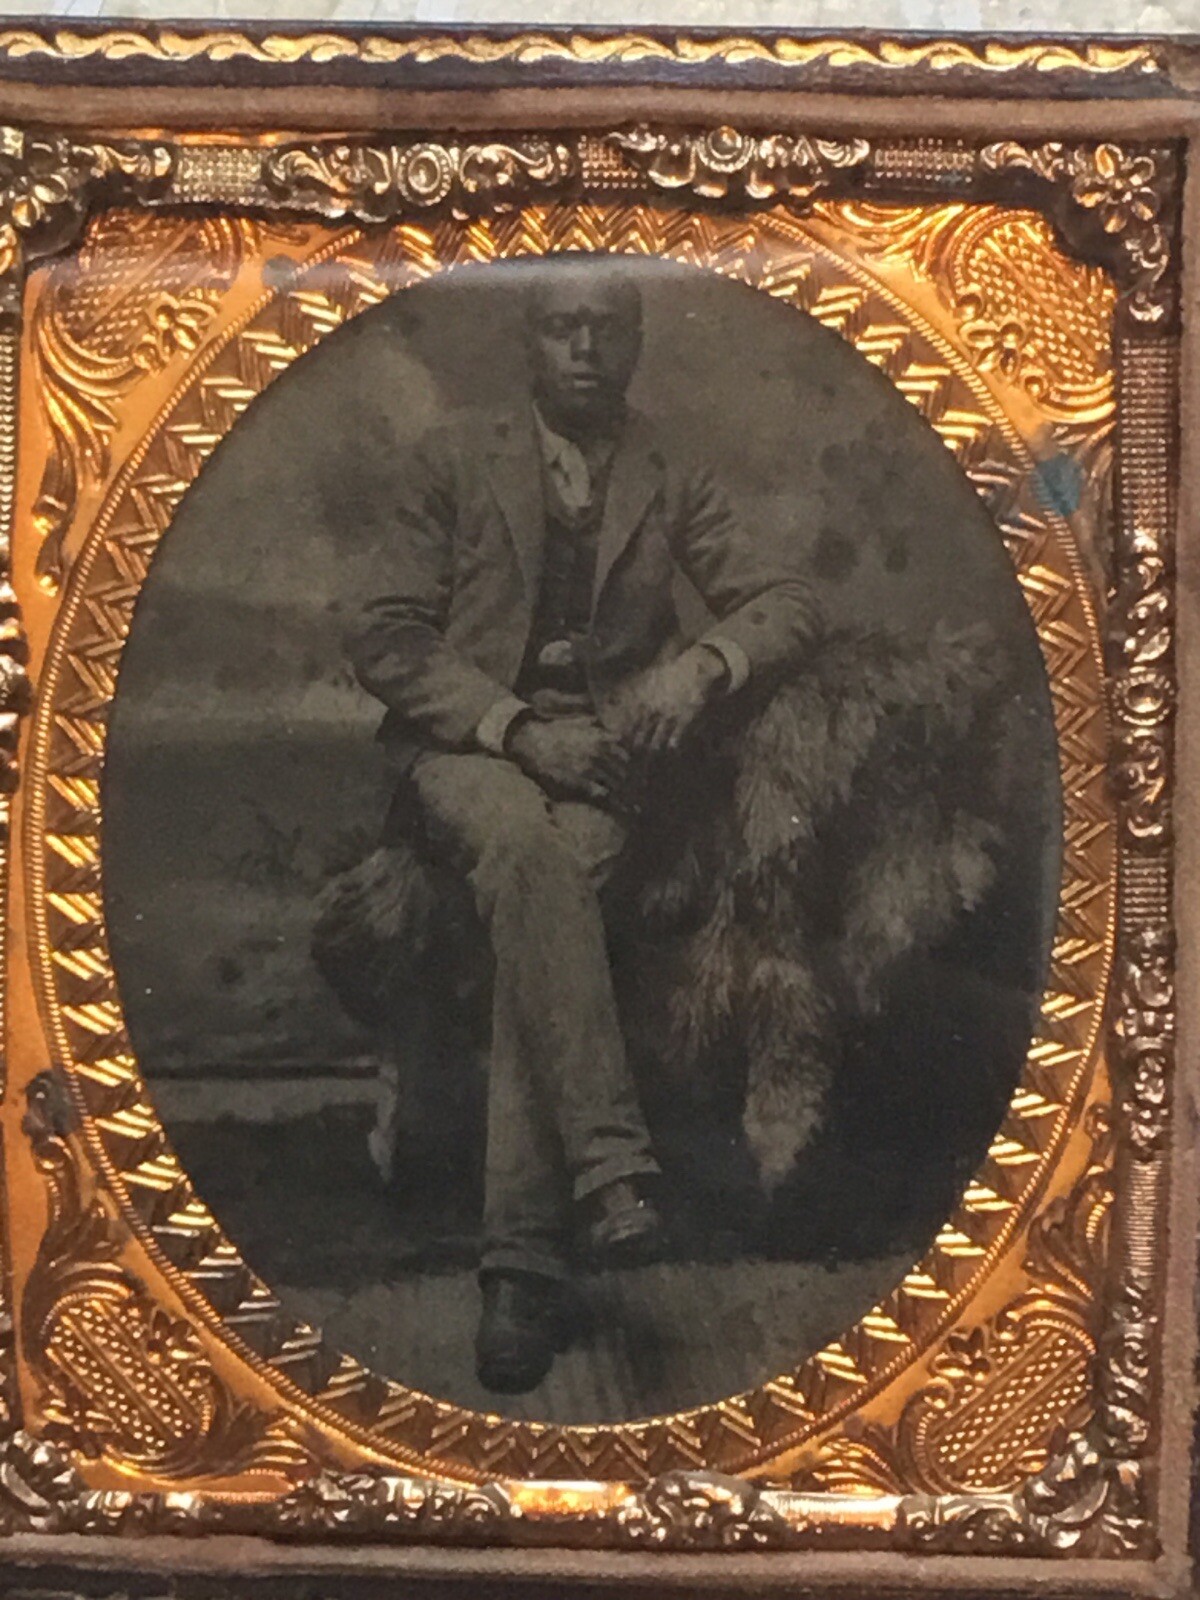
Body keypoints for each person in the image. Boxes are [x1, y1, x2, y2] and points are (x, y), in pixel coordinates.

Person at [347, 260, 820, 1394]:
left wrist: (703, 665)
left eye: (605, 330)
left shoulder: (672, 473)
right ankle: (600, 1185)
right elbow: (385, 638)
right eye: (561, 329)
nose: (584, 351)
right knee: (526, 849)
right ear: (528, 347)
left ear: (636, 343)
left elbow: (789, 600)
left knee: (541, 894)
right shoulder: (452, 461)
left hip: (611, 769)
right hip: (467, 760)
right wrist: (512, 726)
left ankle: (520, 1270)